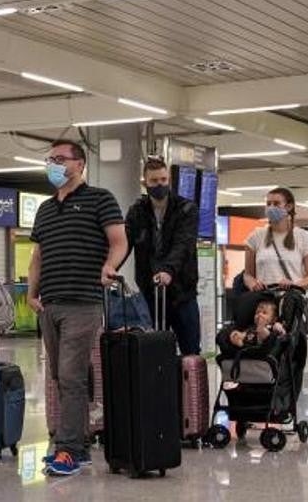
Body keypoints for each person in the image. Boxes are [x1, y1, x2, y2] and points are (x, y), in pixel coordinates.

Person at [26, 139, 127, 477]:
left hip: (83, 301)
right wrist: (31, 292)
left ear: (80, 164)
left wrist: (109, 267)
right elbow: (37, 256)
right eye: (50, 159)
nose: (54, 165)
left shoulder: (101, 199)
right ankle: (81, 446)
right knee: (61, 375)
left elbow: (119, 240)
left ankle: (67, 450)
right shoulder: (44, 208)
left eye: (61, 159)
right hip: (50, 303)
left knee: (69, 375)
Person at [124, 156, 201, 356]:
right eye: (154, 181)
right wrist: (109, 267)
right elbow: (124, 244)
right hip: (150, 292)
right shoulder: (137, 212)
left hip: (182, 293)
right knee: (153, 352)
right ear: (145, 183)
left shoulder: (186, 209)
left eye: (164, 180)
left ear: (169, 181)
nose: (160, 185)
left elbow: (183, 245)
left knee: (190, 351)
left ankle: (188, 387)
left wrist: (168, 270)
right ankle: (158, 386)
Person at [244, 187, 308, 292]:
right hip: (264, 301)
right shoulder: (255, 236)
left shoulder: (304, 237)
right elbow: (248, 275)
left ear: (289, 207)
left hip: (292, 301)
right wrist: (253, 284)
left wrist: (293, 285)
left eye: (276, 204)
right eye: (268, 204)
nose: (271, 208)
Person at [217, 294, 287, 355]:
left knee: (267, 335)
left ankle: (260, 330)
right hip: (248, 347)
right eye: (257, 312)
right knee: (236, 334)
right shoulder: (251, 327)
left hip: (264, 345)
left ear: (273, 319)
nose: (259, 314)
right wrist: (237, 335)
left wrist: (278, 327)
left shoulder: (272, 326)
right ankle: (240, 344)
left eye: (264, 313)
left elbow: (280, 331)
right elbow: (244, 333)